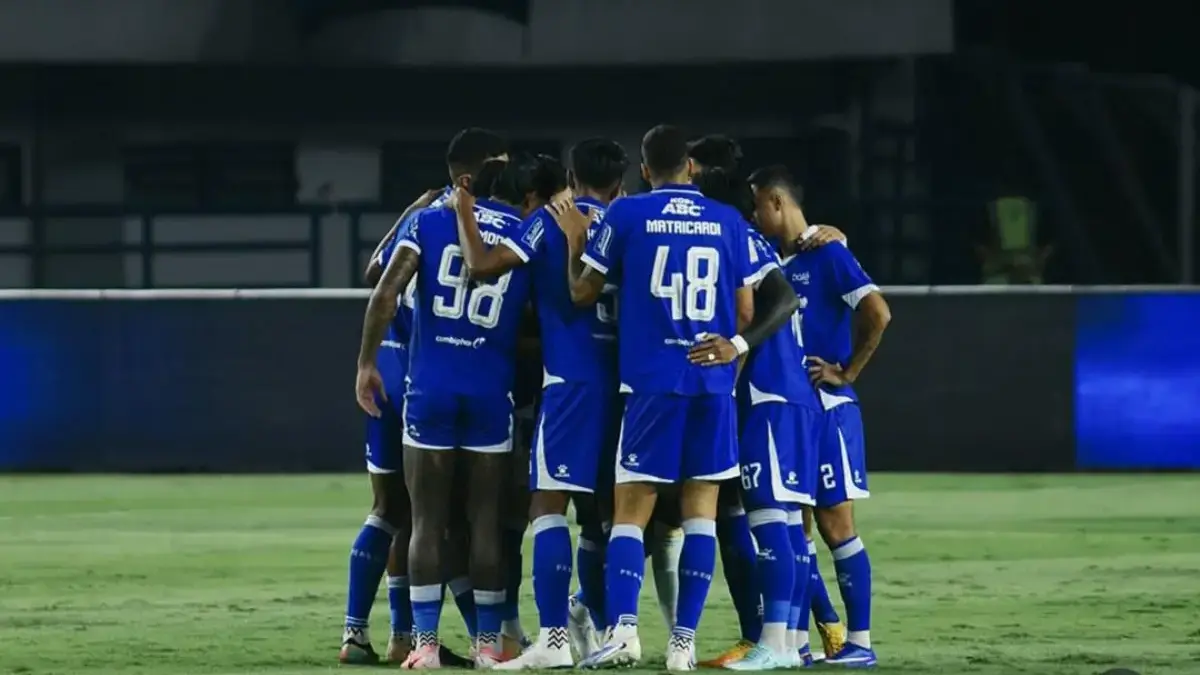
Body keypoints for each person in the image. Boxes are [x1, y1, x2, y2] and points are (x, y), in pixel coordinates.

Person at [554, 124, 798, 671]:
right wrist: (734, 346)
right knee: (701, 516)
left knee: (630, 515)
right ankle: (682, 645)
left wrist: (575, 240)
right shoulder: (729, 220)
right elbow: (763, 304)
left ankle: (624, 633)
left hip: (651, 384)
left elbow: (581, 291)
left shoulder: (627, 214)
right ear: (690, 168)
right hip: (711, 384)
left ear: (644, 170)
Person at [442, 139, 629, 669]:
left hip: (570, 382)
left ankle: (551, 639)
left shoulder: (549, 221)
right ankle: (610, 630)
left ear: (572, 175)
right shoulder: (631, 221)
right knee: (608, 519)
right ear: (621, 182)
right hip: (626, 386)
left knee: (547, 506)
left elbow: (481, 264)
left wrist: (464, 212)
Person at [355, 156, 542, 669]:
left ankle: (427, 645)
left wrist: (367, 363)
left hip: (431, 388)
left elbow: (385, 291)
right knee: (484, 523)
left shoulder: (430, 220)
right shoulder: (527, 234)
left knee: (427, 522)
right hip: (490, 392)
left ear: (469, 187)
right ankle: (487, 645)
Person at [749, 165, 891, 668]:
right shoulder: (778, 260)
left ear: (776, 202)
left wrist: (848, 371)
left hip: (829, 410)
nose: (753, 216)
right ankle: (804, 642)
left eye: (757, 206)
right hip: (797, 411)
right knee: (797, 529)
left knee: (836, 526)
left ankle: (861, 641)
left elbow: (878, 312)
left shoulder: (830, 253)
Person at [689, 168, 826, 669]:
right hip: (790, 399)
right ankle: (789, 645)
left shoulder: (737, 237)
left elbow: (784, 299)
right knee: (788, 525)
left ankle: (772, 642)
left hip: (770, 397)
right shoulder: (756, 243)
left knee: (770, 522)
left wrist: (738, 346)